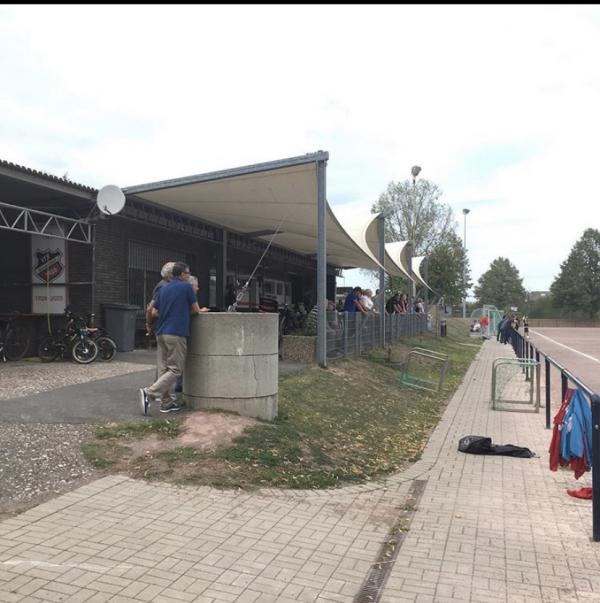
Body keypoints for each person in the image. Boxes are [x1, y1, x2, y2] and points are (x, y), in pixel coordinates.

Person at [139, 262, 209, 415]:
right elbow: (196, 310)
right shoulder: (186, 287)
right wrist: (201, 311)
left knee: (164, 369)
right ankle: (149, 393)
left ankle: (166, 403)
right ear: (183, 274)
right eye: (188, 273)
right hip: (176, 333)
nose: (189, 275)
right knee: (176, 369)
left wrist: (161, 317)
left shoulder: (164, 288)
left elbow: (154, 311)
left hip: (161, 333)